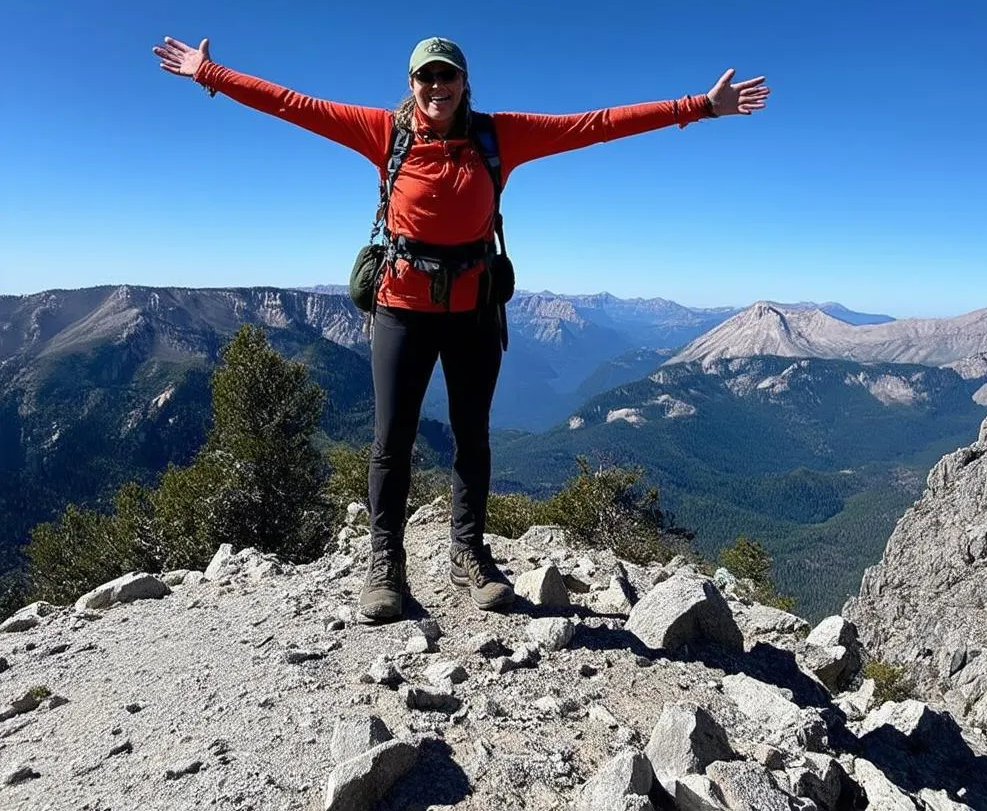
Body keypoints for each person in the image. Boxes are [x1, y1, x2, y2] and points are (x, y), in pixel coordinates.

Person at [152, 34, 770, 622]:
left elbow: (596, 124)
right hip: (402, 308)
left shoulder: (499, 137)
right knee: (391, 440)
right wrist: (210, 74)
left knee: (472, 436)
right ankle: (385, 565)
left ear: (464, 83)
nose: (436, 86)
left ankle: (468, 555)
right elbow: (293, 104)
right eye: (426, 76)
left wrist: (700, 108)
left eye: (446, 75)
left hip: (474, 311)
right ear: (412, 84)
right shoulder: (383, 132)